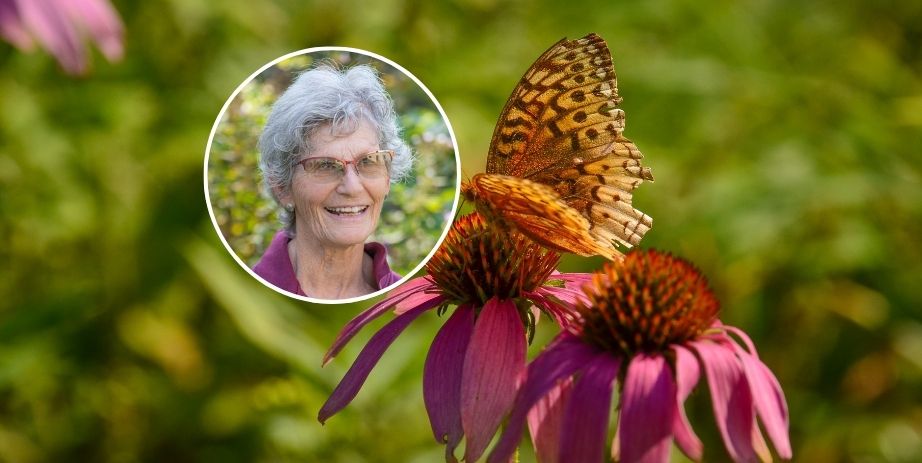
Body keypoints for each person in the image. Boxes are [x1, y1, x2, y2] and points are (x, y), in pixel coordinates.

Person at [253, 63, 413, 299]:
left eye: (369, 162)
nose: (352, 187)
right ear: (282, 187)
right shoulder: (251, 295)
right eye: (325, 165)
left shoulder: (405, 299)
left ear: (387, 178)